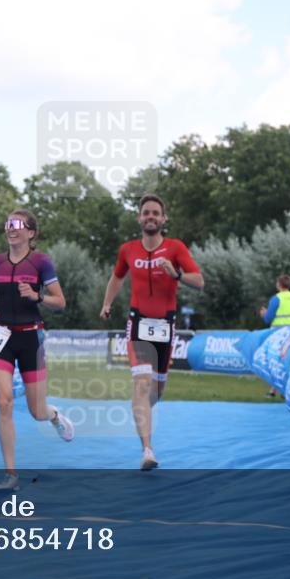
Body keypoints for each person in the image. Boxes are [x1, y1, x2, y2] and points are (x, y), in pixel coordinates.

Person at [0, 209, 74, 490]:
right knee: (4, 402)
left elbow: (60, 301)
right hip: (1, 338)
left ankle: (54, 416)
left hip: (30, 339)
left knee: (37, 410)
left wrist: (37, 296)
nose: (11, 228)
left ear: (31, 233)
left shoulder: (41, 262)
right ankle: (11, 474)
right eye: (8, 224)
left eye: (18, 224)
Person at [99, 194, 204, 470]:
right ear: (139, 217)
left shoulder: (175, 248)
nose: (150, 217)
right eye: (146, 212)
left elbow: (199, 281)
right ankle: (147, 450)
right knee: (142, 383)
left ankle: (140, 408)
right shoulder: (128, 250)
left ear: (163, 219)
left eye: (156, 213)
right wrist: (108, 303)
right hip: (138, 323)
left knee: (156, 390)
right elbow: (117, 276)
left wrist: (177, 275)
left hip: (165, 326)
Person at [259, 274, 290, 398]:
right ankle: (282, 390)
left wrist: (264, 313)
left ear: (279, 284)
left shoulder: (276, 299)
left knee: (275, 362)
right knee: (286, 362)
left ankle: (275, 391)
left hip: (278, 335)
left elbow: (268, 319)